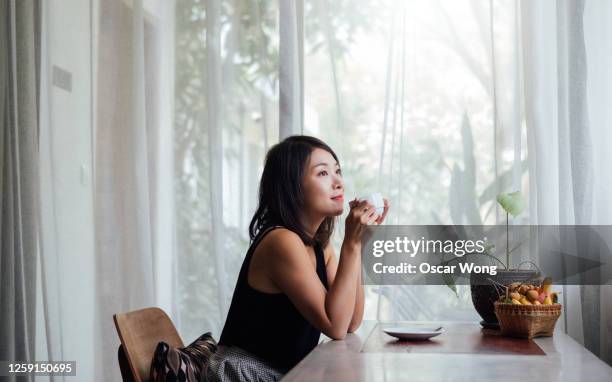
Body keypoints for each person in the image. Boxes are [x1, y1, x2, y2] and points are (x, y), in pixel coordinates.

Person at [206, 135, 389, 381]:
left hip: (289, 374)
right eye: (323, 173)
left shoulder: (321, 247)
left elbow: (349, 323)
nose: (338, 182)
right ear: (292, 186)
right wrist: (351, 244)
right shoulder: (281, 241)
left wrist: (359, 244)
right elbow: (334, 326)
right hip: (244, 374)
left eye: (338, 171)